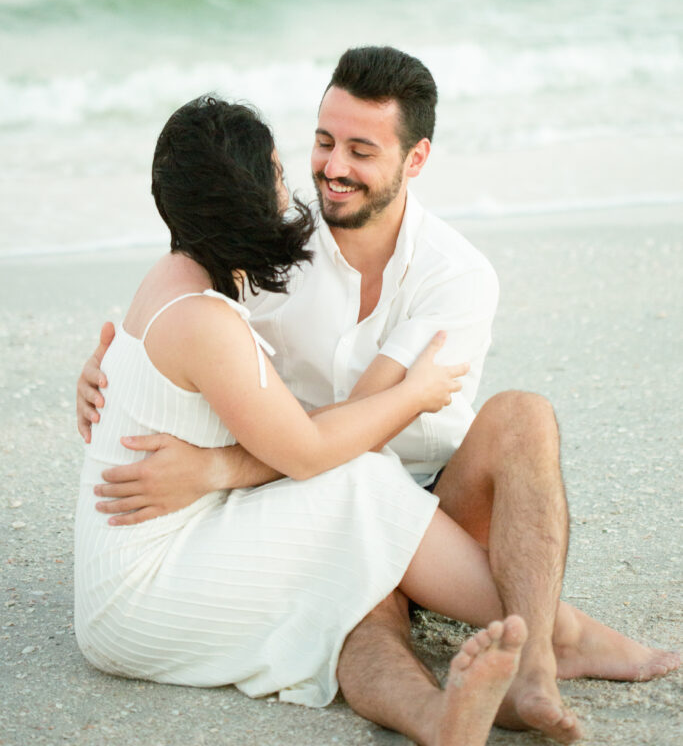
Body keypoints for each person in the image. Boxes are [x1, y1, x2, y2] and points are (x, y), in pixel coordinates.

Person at [77, 50, 680, 745]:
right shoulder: (265, 259)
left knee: (520, 417)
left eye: (360, 150)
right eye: (321, 143)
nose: (328, 169)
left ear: (414, 159)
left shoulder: (453, 274)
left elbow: (342, 425)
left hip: (407, 490)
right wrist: (99, 378)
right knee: (356, 595)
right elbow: (233, 391)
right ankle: (453, 709)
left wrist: (215, 468)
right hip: (293, 498)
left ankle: (541, 654)